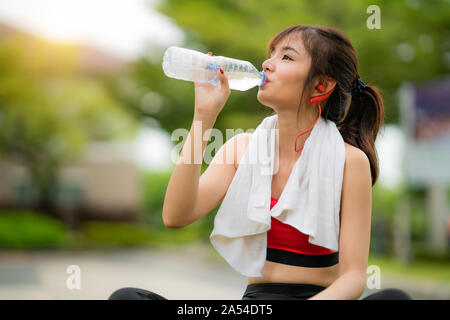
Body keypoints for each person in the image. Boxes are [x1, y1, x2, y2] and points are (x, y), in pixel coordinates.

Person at [109, 24, 412, 300]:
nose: (267, 63)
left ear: (321, 86)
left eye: (287, 57)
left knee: (394, 299)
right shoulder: (241, 149)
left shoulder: (350, 161)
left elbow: (354, 277)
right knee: (128, 298)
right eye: (271, 54)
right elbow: (176, 216)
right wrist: (204, 116)